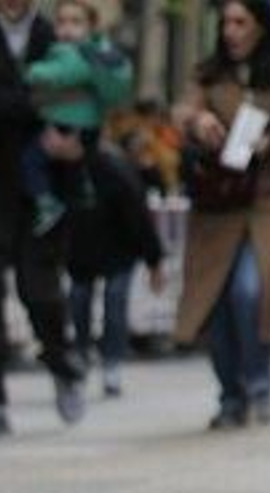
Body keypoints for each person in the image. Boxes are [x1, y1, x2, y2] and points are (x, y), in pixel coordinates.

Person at [172, 0, 270, 430]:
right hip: (217, 205)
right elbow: (182, 111)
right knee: (215, 303)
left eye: (240, 22)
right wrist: (198, 122)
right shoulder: (208, 73)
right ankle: (231, 395)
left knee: (250, 293)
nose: (230, 30)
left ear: (261, 27)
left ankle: (259, 384)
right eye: (225, 22)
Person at [0, 0, 89, 437]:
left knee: (40, 291)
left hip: (41, 192)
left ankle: (61, 361)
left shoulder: (55, 36)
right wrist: (33, 102)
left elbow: (81, 101)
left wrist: (70, 137)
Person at [20, 0, 132, 236]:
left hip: (72, 126)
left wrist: (32, 72)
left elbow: (64, 74)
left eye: (76, 22)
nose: (67, 29)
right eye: (61, 22)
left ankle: (47, 202)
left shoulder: (80, 53)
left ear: (91, 27)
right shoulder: (97, 52)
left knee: (30, 160)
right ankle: (81, 193)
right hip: (79, 128)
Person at [66, 143, 164, 397]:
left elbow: (139, 218)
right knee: (79, 300)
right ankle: (81, 351)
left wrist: (153, 259)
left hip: (119, 249)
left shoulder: (116, 172)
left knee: (115, 300)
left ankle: (112, 363)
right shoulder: (64, 170)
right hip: (80, 250)